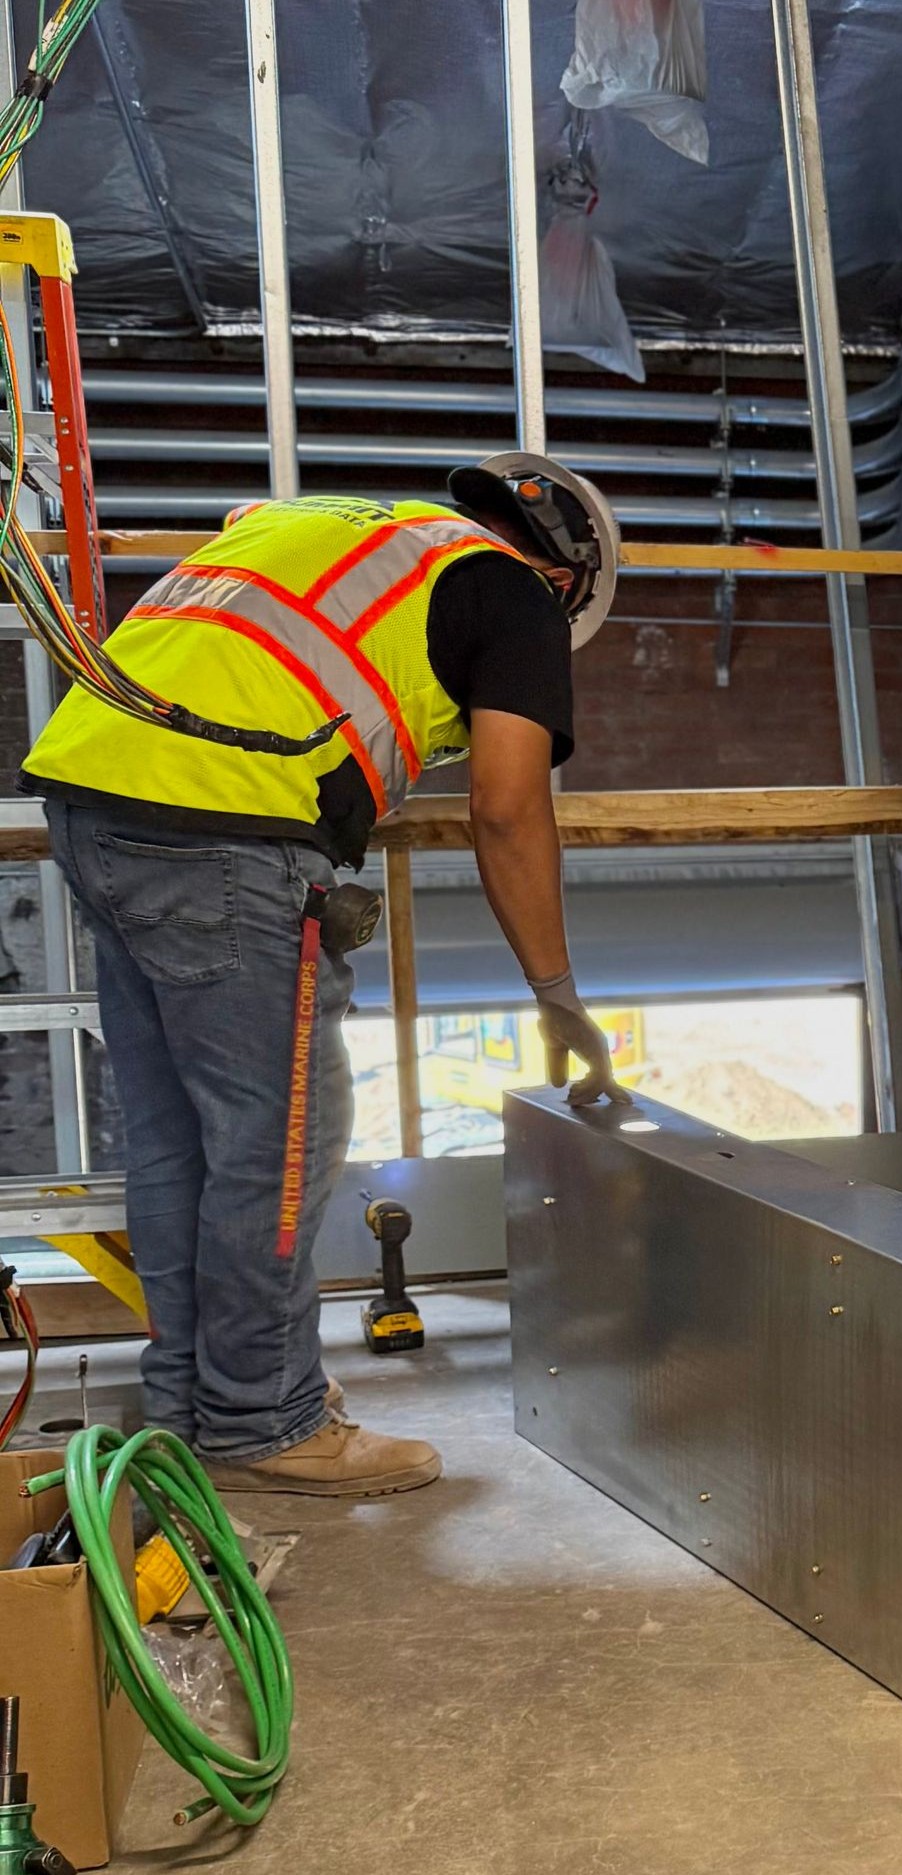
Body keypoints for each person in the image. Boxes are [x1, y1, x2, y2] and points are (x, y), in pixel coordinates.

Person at [18, 456, 632, 1497]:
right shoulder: (515, 593)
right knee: (279, 1141)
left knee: (179, 1141)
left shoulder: (345, 531)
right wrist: (557, 996)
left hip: (89, 798)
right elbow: (506, 805)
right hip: (220, 824)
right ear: (569, 580)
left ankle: (193, 1403)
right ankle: (264, 1419)